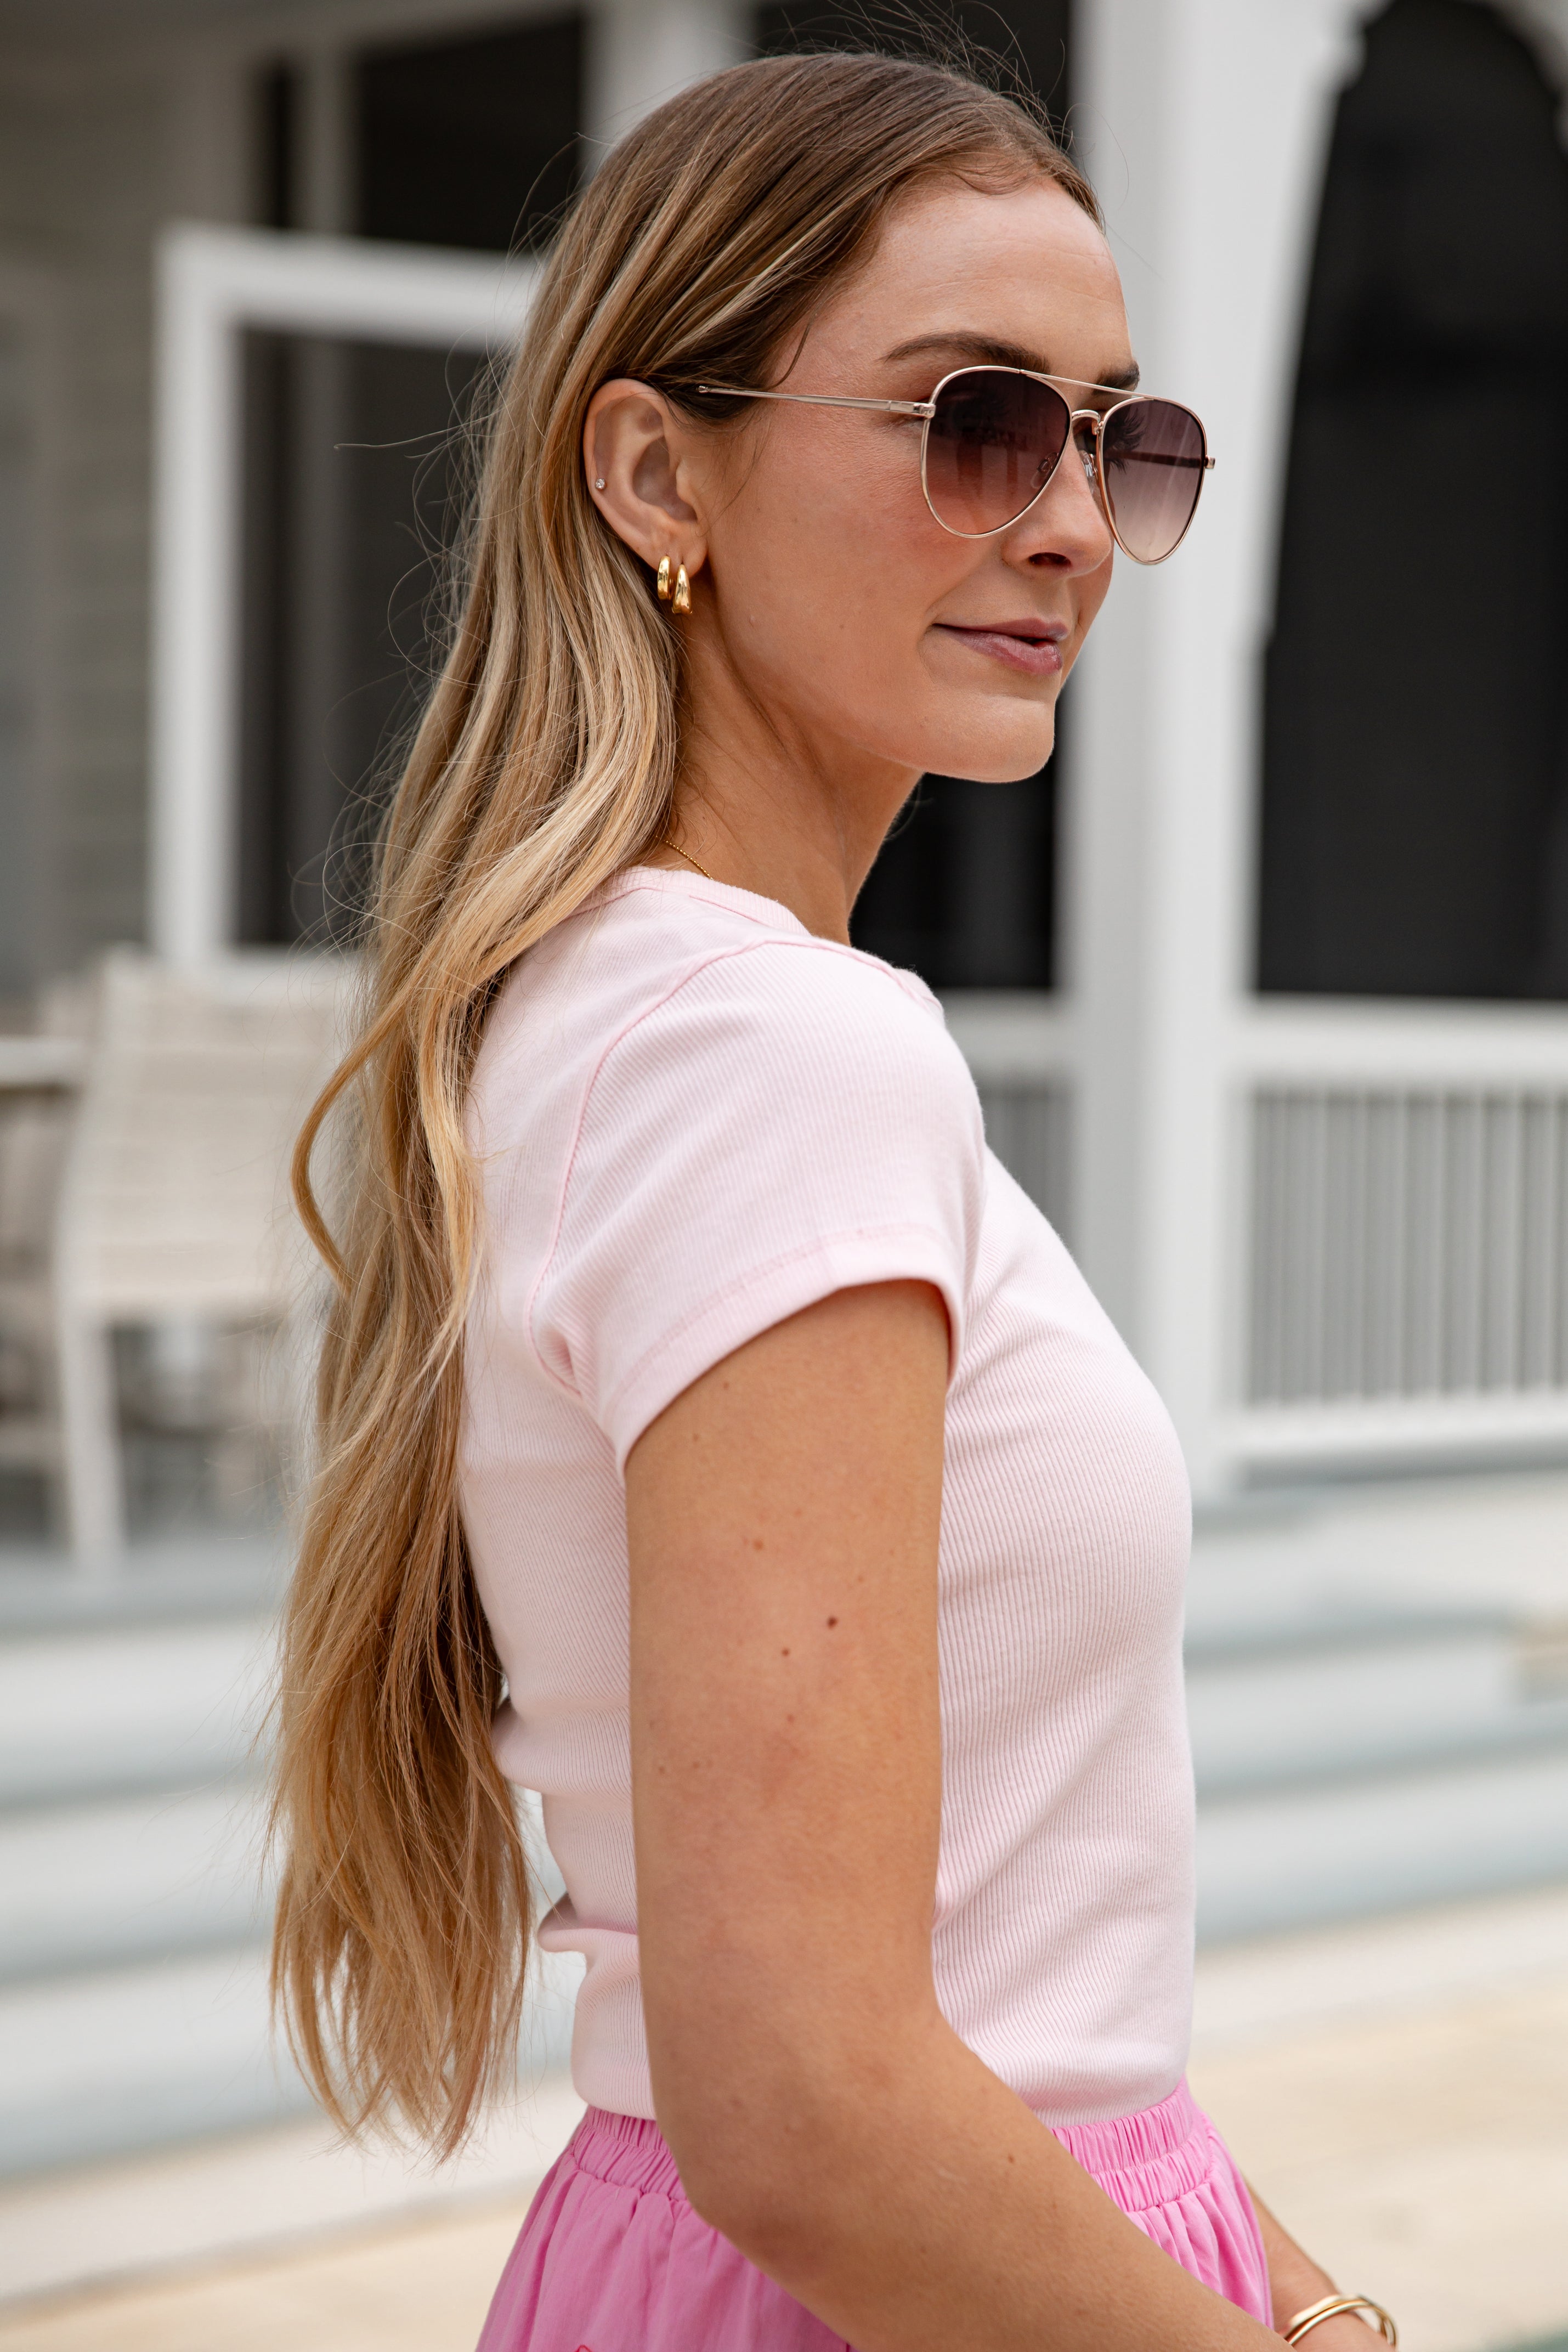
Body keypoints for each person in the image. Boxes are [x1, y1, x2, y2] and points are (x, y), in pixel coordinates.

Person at [270, 49, 1397, 2352]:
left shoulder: (616, 1013)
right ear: (656, 467)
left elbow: (981, 1959)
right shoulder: (776, 1049)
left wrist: (1275, 2272)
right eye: (974, 419)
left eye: (1119, 436)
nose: (1072, 520)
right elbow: (804, 2105)